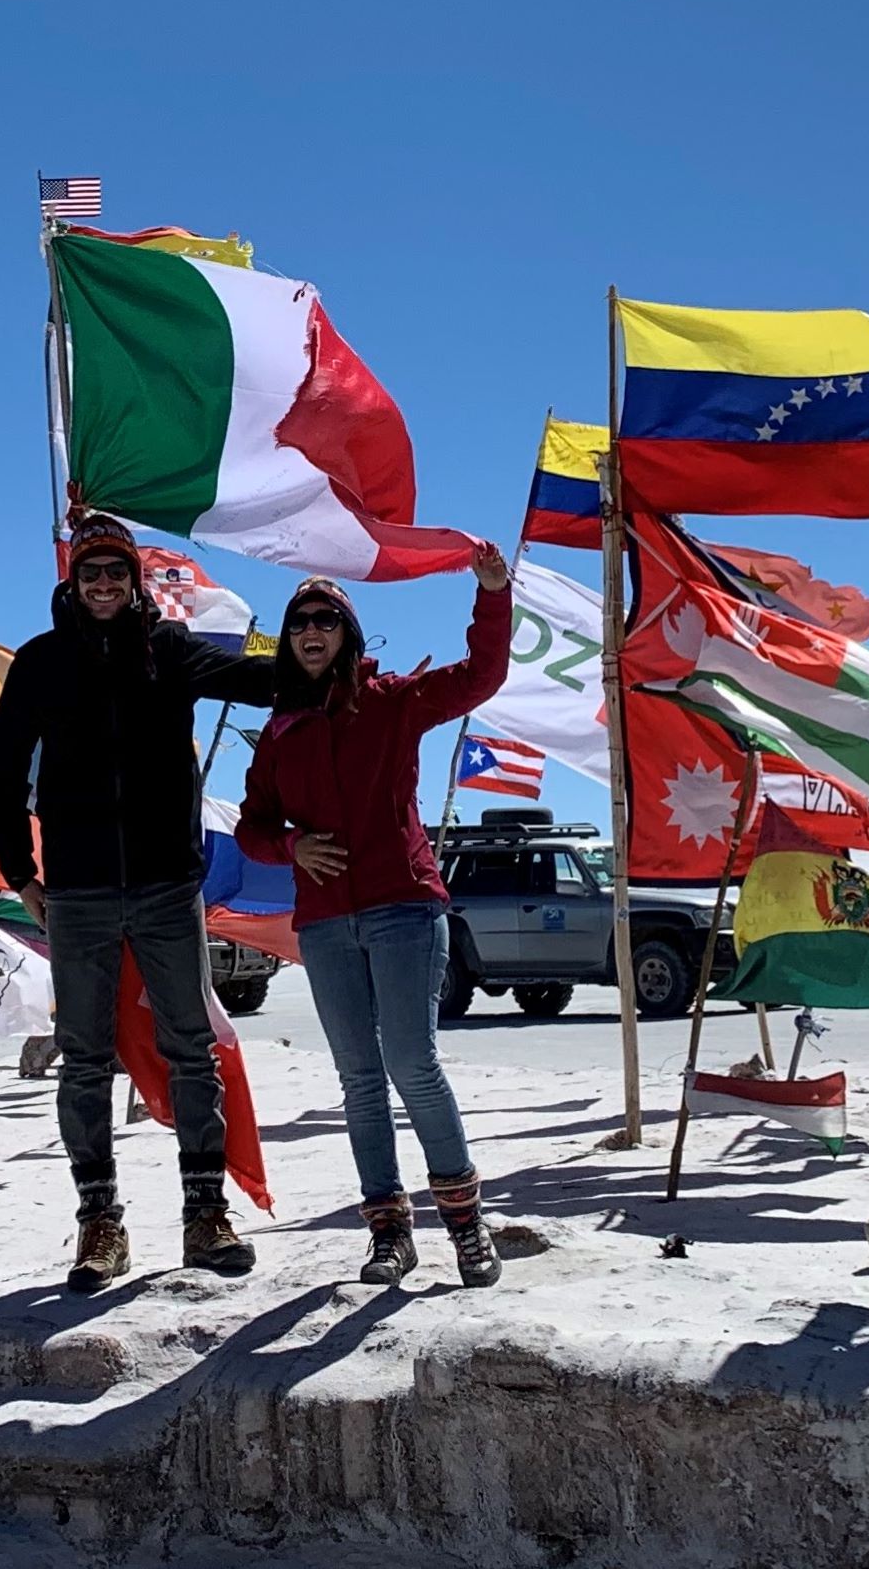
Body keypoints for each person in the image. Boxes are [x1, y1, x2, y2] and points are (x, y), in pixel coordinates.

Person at [0, 514, 279, 1293]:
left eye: (116, 573)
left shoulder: (170, 651)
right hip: (76, 892)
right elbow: (1, 767)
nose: (105, 586)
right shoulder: (41, 662)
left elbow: (254, 679)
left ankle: (205, 1213)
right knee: (83, 1058)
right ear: (74, 584)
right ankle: (99, 1222)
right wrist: (21, 873)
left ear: (134, 580)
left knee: (190, 1046)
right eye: (93, 575)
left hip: (164, 888)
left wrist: (322, 661)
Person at [235, 546, 513, 1286]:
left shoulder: (392, 700)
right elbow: (250, 826)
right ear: (291, 640)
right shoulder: (281, 731)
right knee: (360, 1076)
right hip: (325, 922)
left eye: (326, 618)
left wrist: (492, 596)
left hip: (403, 908)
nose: (312, 629)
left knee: (412, 1062)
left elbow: (480, 676)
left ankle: (465, 1224)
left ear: (348, 634)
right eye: (301, 622)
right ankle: (389, 1231)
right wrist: (291, 845)